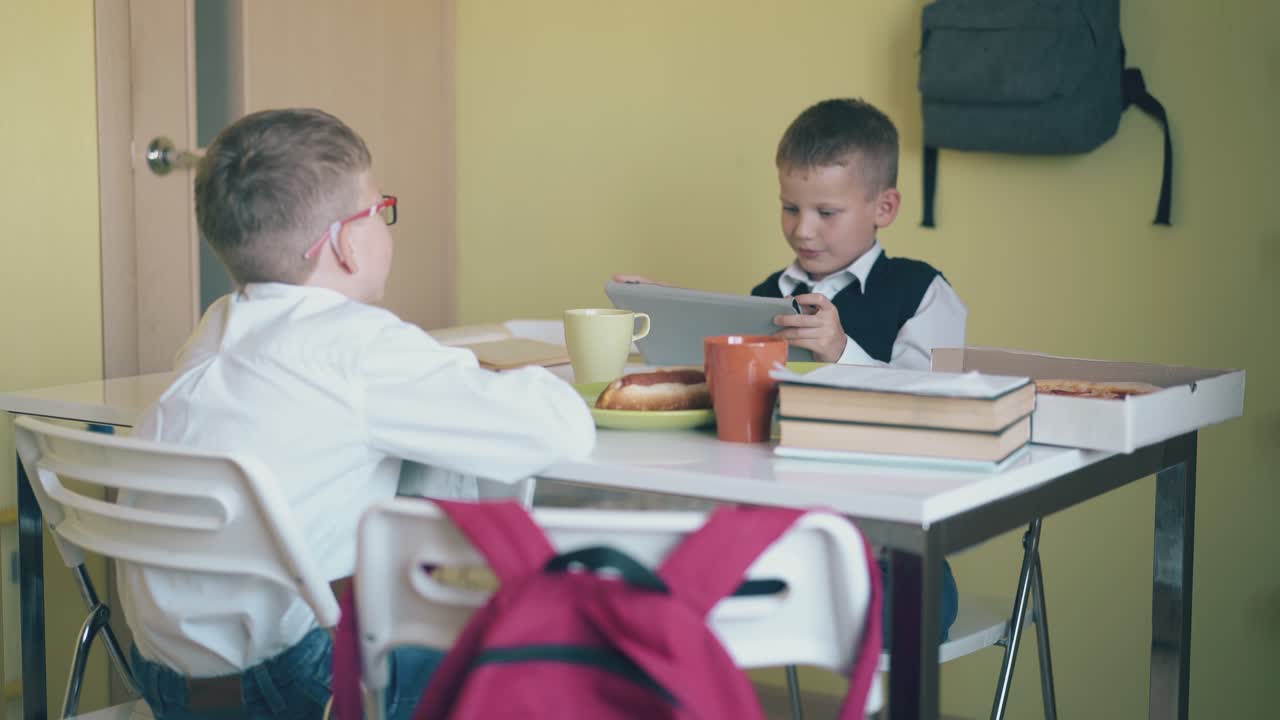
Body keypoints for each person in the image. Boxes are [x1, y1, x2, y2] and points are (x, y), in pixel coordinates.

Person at [119, 108, 596, 719]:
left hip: (168, 686)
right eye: (380, 208)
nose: (384, 221)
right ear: (345, 241)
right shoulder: (357, 346)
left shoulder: (214, 330)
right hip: (296, 692)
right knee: (548, 651)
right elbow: (560, 430)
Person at [616, 97, 961, 640]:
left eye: (826, 213)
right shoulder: (762, 299)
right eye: (789, 208)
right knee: (659, 587)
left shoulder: (921, 293)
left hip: (889, 548)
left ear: (884, 207)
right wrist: (669, 317)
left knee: (913, 612)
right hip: (775, 535)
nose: (803, 230)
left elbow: (933, 414)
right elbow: (723, 417)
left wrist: (841, 350)